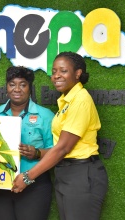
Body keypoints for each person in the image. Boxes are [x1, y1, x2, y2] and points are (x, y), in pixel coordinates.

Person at [12, 52, 108, 220]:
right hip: (67, 173)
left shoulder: (81, 100)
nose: (56, 76)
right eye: (54, 71)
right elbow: (60, 147)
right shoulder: (67, 101)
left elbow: (63, 148)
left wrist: (27, 177)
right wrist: (37, 153)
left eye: (63, 71)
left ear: (77, 73)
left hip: (81, 175)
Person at [0, 66, 54, 220]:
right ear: (6, 87)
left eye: (23, 84)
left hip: (34, 186)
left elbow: (56, 152)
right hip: (1, 185)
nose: (17, 89)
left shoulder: (45, 116)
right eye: (12, 84)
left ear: (30, 88)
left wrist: (36, 153)